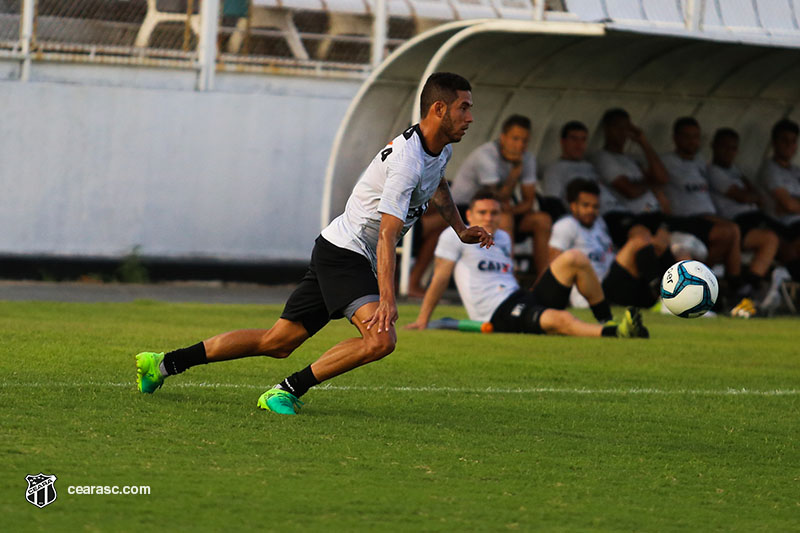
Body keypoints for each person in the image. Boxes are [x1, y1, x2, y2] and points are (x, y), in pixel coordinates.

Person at [134, 72, 494, 415]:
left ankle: (163, 363)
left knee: (278, 342)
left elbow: (438, 184)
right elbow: (386, 233)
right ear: (439, 109)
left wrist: (460, 228)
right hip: (346, 253)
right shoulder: (407, 162)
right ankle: (286, 391)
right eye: (465, 107)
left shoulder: (439, 149)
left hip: (338, 248)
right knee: (380, 340)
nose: (471, 117)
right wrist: (387, 297)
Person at [405, 189, 649, 338]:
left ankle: (607, 320)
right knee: (559, 319)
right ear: (469, 216)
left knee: (575, 258)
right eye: (482, 213)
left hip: (521, 297)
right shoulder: (454, 236)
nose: (489, 217)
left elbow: (506, 276)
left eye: (494, 213)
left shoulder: (502, 237)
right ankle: (616, 333)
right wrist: (424, 319)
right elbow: (440, 277)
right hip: (496, 313)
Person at [660, 117, 759, 313]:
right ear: (675, 138)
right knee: (730, 230)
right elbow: (656, 181)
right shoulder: (666, 162)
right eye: (687, 137)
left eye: (696, 137)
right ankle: (732, 289)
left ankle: (722, 291)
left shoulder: (699, 162)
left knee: (733, 233)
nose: (692, 141)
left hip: (707, 218)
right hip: (685, 220)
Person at [448, 114, 552, 277]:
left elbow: (528, 202)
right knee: (504, 218)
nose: (520, 145)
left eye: (525, 141)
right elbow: (496, 198)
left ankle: (544, 282)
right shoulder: (487, 155)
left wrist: (511, 209)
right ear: (503, 137)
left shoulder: (528, 158)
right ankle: (508, 278)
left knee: (542, 220)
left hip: (495, 209)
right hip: (462, 211)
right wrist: (515, 171)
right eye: (515, 139)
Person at [591, 108, 675, 281]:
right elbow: (630, 190)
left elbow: (663, 178)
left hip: (654, 215)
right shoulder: (603, 157)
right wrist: (652, 184)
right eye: (618, 128)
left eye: (626, 128)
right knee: (646, 239)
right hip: (631, 217)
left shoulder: (631, 160)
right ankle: (657, 290)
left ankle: (681, 293)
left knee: (672, 242)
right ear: (607, 129)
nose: (623, 133)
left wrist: (642, 141)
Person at [549, 178, 659, 309]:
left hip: (612, 284)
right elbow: (553, 264)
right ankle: (662, 295)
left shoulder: (599, 223)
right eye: (585, 205)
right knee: (637, 242)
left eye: (595, 206)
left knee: (655, 245)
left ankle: (661, 298)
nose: (591, 210)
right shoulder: (565, 225)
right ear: (573, 206)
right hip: (592, 291)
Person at [708, 127, 783, 304]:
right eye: (725, 147)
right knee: (770, 239)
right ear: (714, 146)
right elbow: (743, 196)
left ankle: (763, 283)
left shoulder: (735, 170)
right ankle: (745, 289)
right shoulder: (712, 171)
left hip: (754, 217)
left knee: (785, 236)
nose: (729, 152)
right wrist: (751, 197)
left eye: (733, 148)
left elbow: (758, 196)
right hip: (736, 222)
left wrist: (753, 196)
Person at [541, 120, 617, 218]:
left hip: (617, 208)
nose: (579, 145)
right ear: (563, 142)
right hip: (598, 217)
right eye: (574, 139)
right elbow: (552, 202)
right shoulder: (555, 169)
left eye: (583, 140)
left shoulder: (590, 166)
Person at [759, 118, 800, 282]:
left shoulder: (796, 170)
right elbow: (788, 204)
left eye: (793, 141)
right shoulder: (770, 169)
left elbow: (790, 204)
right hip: (780, 225)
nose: (789, 145)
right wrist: (791, 204)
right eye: (784, 140)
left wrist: (792, 204)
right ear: (775, 142)